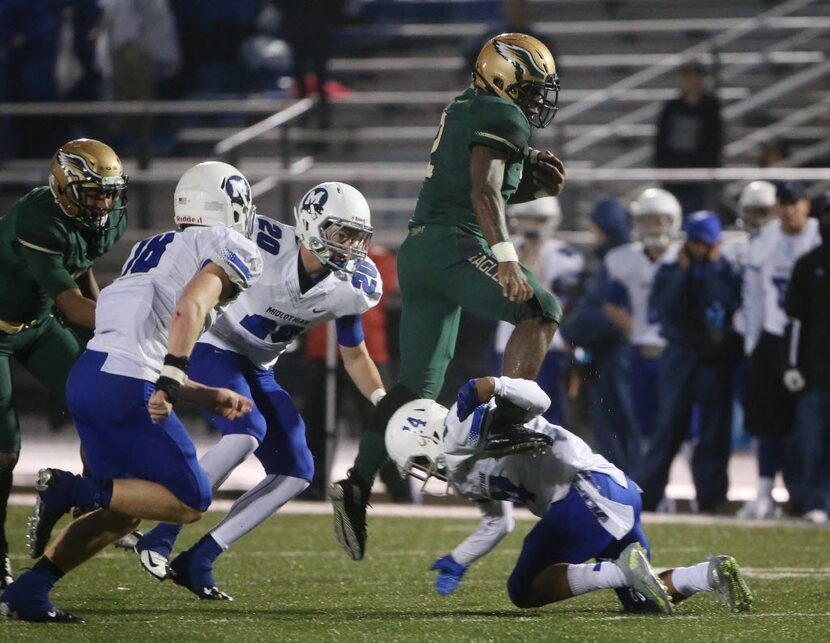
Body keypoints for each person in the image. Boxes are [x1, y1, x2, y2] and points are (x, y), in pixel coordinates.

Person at [329, 33, 566, 562]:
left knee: (416, 386)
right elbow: (482, 192)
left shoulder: (468, 105)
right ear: (505, 78)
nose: (536, 99)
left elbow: (481, 185)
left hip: (423, 248)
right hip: (454, 244)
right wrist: (505, 256)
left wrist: (528, 188)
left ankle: (357, 483)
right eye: (531, 88)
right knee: (541, 308)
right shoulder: (503, 117)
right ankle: (506, 420)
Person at [0, 161, 263, 623]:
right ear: (233, 205)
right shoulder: (231, 245)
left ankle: (28, 592)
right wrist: (174, 376)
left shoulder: (151, 247)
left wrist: (201, 393)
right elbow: (189, 308)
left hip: (90, 376)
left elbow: (130, 335)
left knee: (124, 509)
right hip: (127, 385)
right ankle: (70, 487)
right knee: (190, 500)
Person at [133, 182, 387, 599]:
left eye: (356, 237)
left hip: (258, 363)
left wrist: (381, 399)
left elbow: (356, 355)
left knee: (298, 471)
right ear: (309, 223)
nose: (348, 246)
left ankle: (199, 559)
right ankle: (161, 533)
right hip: (213, 343)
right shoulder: (261, 242)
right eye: (340, 234)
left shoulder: (350, 284)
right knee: (245, 430)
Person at [384, 377, 753, 614]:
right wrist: (458, 558)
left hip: (586, 492)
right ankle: (710, 574)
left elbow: (538, 399)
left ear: (425, 437)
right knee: (643, 602)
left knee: (523, 590)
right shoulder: (462, 474)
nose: (422, 470)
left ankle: (619, 570)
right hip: (614, 496)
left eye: (417, 460)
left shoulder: (457, 432)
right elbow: (498, 520)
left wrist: (495, 384)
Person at [0, 138, 128, 589]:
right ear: (63, 186)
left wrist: (110, 328)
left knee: (97, 401)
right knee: (4, 451)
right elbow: (73, 307)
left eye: (109, 192)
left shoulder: (103, 216)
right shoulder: (39, 218)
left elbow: (81, 264)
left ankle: (94, 502)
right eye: (93, 192)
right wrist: (131, 326)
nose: (103, 202)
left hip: (36, 322)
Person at [638, 212, 743, 512]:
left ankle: (711, 497)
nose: (699, 249)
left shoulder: (725, 272)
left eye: (704, 243)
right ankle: (648, 498)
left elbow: (724, 304)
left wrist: (709, 270)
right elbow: (662, 309)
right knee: (668, 427)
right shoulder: (671, 270)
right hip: (680, 355)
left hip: (714, 359)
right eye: (695, 243)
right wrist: (684, 274)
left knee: (714, 430)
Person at [739, 181, 820, 520]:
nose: (787, 210)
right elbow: (754, 297)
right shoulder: (764, 240)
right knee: (767, 420)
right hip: (773, 336)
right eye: (781, 203)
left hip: (811, 340)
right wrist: (753, 343)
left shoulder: (818, 236)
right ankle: (764, 490)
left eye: (793, 202)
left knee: (808, 422)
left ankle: (806, 495)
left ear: (806, 205)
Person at [560, 198, 639, 472]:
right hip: (609, 356)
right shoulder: (617, 259)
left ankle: (631, 485)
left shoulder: (618, 263)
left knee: (619, 426)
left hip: (616, 356)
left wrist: (571, 332)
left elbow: (600, 313)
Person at [603, 188, 682, 455]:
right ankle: (654, 491)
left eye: (659, 219)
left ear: (673, 221)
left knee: (684, 423)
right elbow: (611, 304)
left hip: (678, 351)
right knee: (645, 424)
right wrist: (634, 330)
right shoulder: (625, 259)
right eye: (647, 220)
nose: (652, 227)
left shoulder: (685, 258)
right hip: (641, 350)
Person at [495, 196, 584, 424]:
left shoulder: (566, 255)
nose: (532, 225)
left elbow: (545, 301)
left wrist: (531, 261)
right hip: (506, 339)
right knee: (506, 408)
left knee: (548, 410)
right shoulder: (503, 249)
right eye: (526, 218)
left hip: (547, 342)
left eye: (539, 219)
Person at [783, 194, 830, 524]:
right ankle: (814, 500)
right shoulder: (808, 263)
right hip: (816, 371)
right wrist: (791, 363)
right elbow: (794, 321)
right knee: (812, 443)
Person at [654, 60, 723, 214]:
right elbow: (661, 140)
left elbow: (715, 141)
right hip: (673, 175)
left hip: (699, 178)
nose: (690, 81)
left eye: (694, 76)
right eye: (686, 77)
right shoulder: (671, 107)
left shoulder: (710, 108)